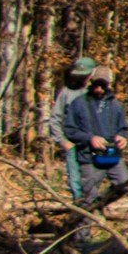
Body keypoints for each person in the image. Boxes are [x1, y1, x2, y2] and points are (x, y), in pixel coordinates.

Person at [62, 64, 128, 206]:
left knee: (124, 184)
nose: (99, 89)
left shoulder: (115, 105)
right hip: (88, 157)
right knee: (88, 197)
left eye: (103, 85)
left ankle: (100, 205)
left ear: (109, 85)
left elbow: (122, 128)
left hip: (112, 155)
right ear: (91, 82)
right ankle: (84, 218)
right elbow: (69, 130)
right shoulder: (79, 104)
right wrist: (90, 139)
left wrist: (122, 137)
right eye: (96, 84)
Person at [48, 57, 94, 202]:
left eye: (86, 75)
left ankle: (93, 208)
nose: (83, 78)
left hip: (94, 145)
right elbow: (55, 118)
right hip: (73, 144)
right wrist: (63, 141)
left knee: (93, 180)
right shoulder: (66, 92)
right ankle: (79, 209)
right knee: (75, 181)